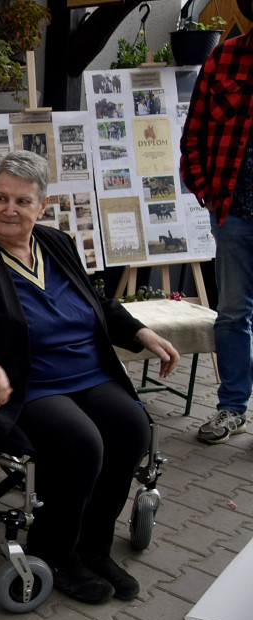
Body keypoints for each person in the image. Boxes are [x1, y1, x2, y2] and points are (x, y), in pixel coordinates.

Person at [0, 150, 179, 605]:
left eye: (22, 201)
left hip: (89, 372)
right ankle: (56, 555)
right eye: (1, 198)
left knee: (131, 429)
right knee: (83, 443)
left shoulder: (56, 244)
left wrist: (141, 331)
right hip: (27, 384)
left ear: (41, 206)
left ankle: (94, 546)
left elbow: (98, 303)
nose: (10, 209)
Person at [180, 0, 253, 445]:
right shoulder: (225, 56)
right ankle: (231, 408)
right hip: (233, 212)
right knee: (232, 313)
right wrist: (204, 187)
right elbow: (195, 131)